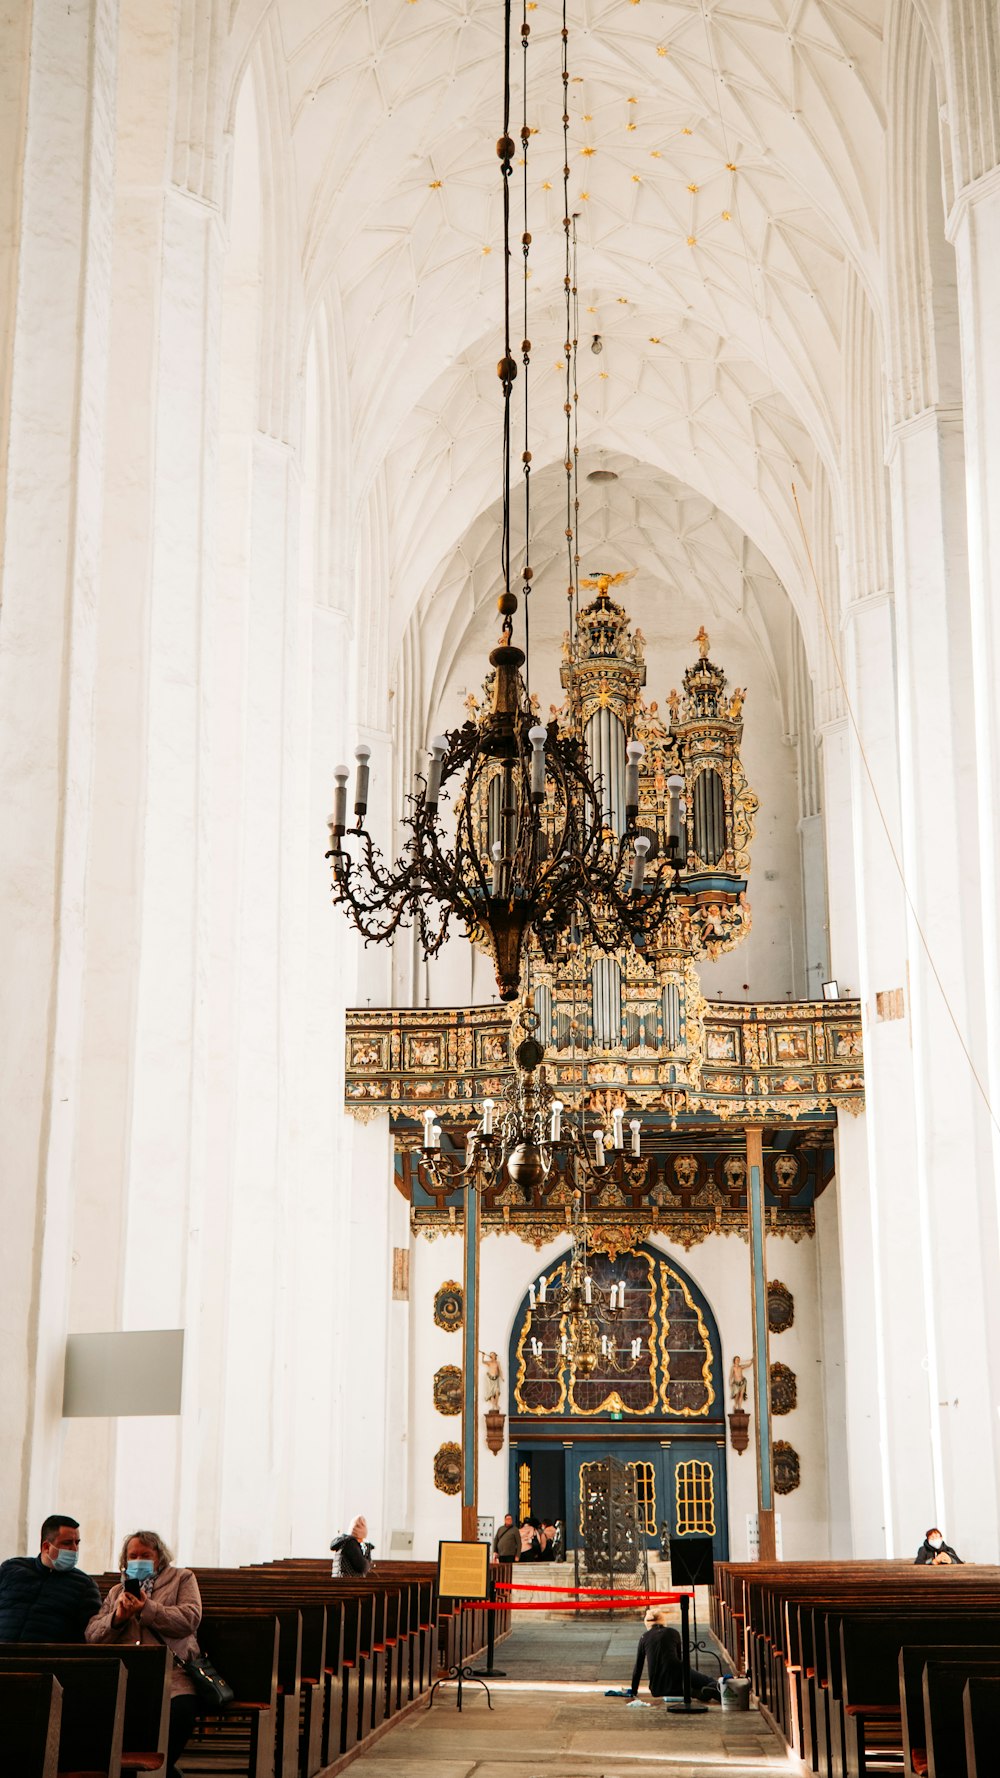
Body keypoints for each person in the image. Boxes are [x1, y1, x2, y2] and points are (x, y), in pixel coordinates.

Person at [85, 1529, 202, 1778]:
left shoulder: (182, 1579)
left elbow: (190, 1618)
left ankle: (164, 1768)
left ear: (158, 1557)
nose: (138, 1560)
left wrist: (147, 1608)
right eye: (133, 1555)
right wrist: (117, 1619)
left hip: (173, 1676)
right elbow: (92, 1635)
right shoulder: (118, 1591)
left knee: (180, 1713)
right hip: (127, 1679)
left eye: (145, 1555)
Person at [0, 1512, 101, 1641]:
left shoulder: (84, 1585)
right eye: (67, 1543)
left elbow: (91, 1632)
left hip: (48, 1658)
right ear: (46, 1547)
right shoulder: (11, 1569)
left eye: (77, 1543)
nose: (75, 1549)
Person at [629, 1606, 720, 1703]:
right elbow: (679, 1659)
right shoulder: (673, 1633)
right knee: (708, 1681)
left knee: (690, 1688)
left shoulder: (644, 1637)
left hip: (657, 1689)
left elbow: (638, 1668)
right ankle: (713, 1691)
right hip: (679, 1678)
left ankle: (697, 1692)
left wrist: (633, 1690)